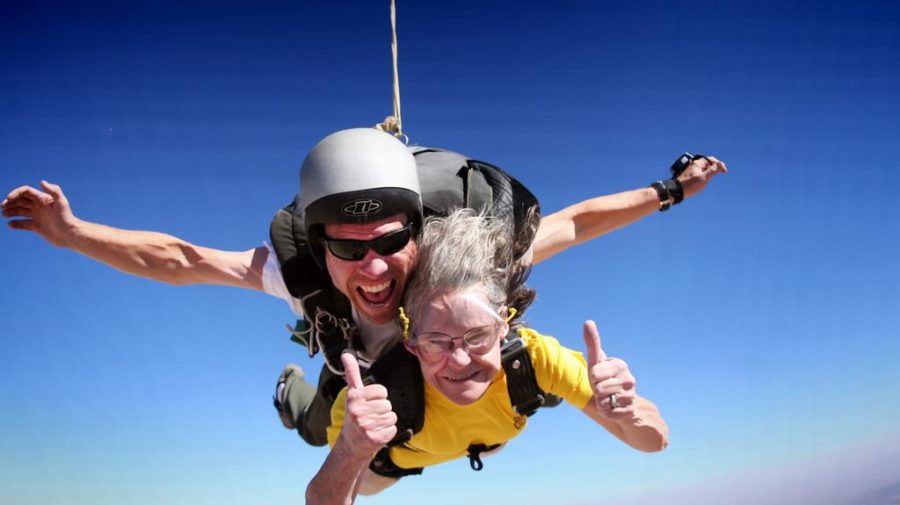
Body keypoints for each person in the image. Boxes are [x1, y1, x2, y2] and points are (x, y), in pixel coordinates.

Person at [2, 128, 725, 446]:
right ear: (320, 247)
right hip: (369, 397)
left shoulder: (463, 265)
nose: (373, 269)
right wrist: (74, 233)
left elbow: (577, 222)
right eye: (349, 249)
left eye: (390, 243)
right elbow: (182, 259)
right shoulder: (305, 278)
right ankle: (293, 397)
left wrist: (671, 190)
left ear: (419, 233)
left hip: (464, 403)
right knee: (341, 436)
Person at [306, 209, 668, 504]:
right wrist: (352, 449)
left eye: (477, 336)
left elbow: (655, 441)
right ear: (410, 342)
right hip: (391, 463)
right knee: (311, 426)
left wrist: (627, 411)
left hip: (488, 440)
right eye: (436, 342)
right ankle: (290, 392)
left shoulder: (534, 357)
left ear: (504, 326)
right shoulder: (373, 395)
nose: (460, 361)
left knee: (537, 389)